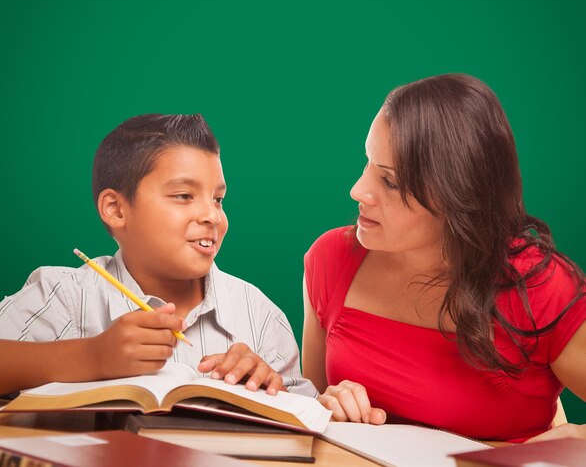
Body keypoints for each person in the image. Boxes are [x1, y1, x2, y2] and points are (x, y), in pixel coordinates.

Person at [302, 74, 585, 442]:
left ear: (457, 197)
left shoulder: (540, 287)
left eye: (390, 182)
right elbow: (311, 416)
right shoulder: (332, 259)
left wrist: (572, 443)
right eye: (368, 162)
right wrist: (326, 405)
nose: (358, 190)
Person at [0, 113, 314, 397]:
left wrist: (267, 385)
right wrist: (90, 357)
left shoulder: (260, 317)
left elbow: (307, 416)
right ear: (116, 209)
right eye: (184, 196)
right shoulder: (65, 296)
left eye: (218, 199)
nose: (212, 216)